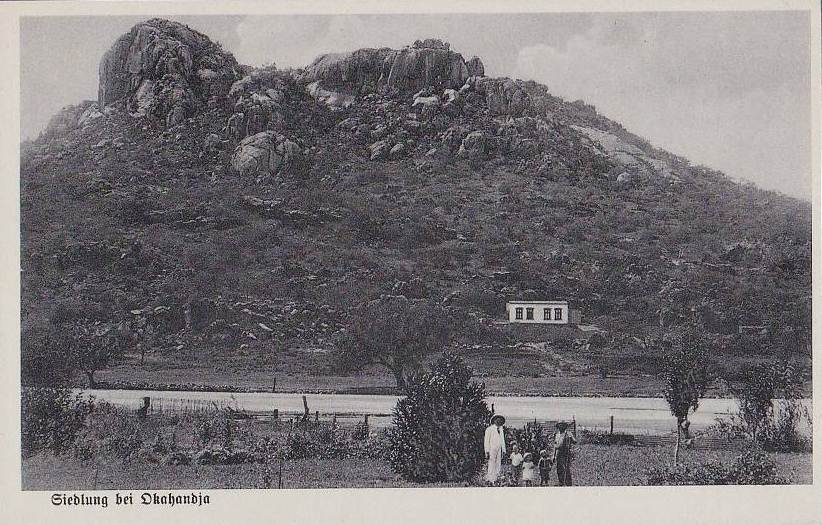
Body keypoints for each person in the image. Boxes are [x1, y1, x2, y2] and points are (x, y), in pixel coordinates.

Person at [484, 414, 507, 485]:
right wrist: (487, 451)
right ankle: (490, 479)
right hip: (492, 449)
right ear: (494, 421)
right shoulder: (489, 429)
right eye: (497, 420)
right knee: (491, 463)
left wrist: (504, 450)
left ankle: (496, 478)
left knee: (498, 463)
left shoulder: (501, 429)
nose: (499, 422)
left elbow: (502, 441)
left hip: (499, 449)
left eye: (500, 421)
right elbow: (486, 441)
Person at [553, 421, 576, 486]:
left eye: (562, 425)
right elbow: (555, 446)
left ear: (565, 426)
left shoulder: (568, 433)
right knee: (559, 468)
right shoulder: (557, 435)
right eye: (560, 425)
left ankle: (568, 483)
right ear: (558, 426)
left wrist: (571, 438)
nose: (561, 427)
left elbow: (575, 441)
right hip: (558, 452)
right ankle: (561, 482)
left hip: (566, 452)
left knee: (566, 468)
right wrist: (553, 456)